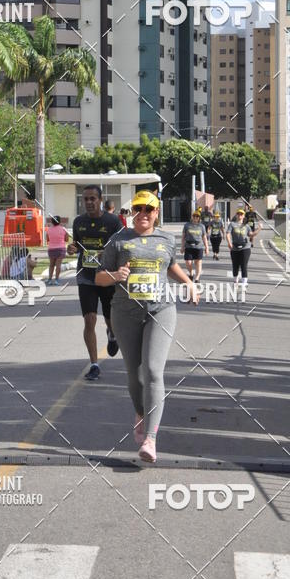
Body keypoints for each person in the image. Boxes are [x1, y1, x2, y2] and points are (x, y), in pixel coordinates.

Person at [96, 190, 199, 463]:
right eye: (138, 209)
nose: (143, 214)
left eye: (148, 209)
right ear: (131, 213)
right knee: (136, 376)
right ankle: (141, 414)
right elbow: (99, 279)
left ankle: (151, 438)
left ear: (156, 213)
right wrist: (116, 275)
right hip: (125, 314)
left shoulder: (166, 238)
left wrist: (188, 282)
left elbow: (170, 266)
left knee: (154, 370)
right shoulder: (118, 241)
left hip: (160, 310)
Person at [67, 185, 122, 380]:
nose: (89, 202)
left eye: (93, 199)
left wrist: (106, 255)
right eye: (86, 199)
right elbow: (76, 244)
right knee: (89, 319)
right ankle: (94, 364)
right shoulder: (79, 221)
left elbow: (121, 247)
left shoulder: (113, 221)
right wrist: (72, 248)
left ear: (100, 200)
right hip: (86, 277)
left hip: (107, 277)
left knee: (110, 318)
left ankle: (112, 334)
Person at [226, 208, 253, 289]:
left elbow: (251, 234)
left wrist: (259, 229)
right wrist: (229, 242)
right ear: (236, 215)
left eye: (241, 214)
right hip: (234, 247)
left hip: (245, 247)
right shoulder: (232, 224)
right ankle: (236, 281)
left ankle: (244, 283)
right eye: (238, 214)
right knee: (235, 265)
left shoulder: (246, 226)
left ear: (243, 216)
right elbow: (227, 234)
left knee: (244, 265)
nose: (240, 215)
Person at [181, 209, 208, 281]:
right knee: (188, 262)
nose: (195, 217)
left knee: (198, 262)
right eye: (194, 216)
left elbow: (204, 237)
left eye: (197, 216)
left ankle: (197, 278)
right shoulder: (187, 225)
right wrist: (182, 247)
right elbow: (183, 237)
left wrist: (206, 247)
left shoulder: (202, 226)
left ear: (199, 218)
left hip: (198, 246)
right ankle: (191, 273)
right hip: (188, 246)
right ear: (192, 217)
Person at [46, 216, 69, 285]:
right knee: (58, 265)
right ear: (59, 221)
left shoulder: (49, 230)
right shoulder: (63, 229)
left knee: (51, 265)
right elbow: (66, 239)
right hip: (61, 249)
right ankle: (57, 280)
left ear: (52, 222)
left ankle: (49, 279)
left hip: (51, 249)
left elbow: (47, 239)